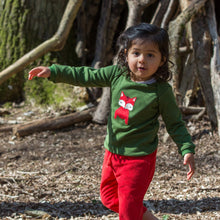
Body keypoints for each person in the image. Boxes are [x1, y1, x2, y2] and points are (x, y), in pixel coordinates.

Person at [28, 23, 195, 220]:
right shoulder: (117, 74)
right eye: (136, 53)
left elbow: (175, 123)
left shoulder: (160, 91)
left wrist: (186, 149)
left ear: (162, 60)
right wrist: (55, 72)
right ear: (126, 54)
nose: (142, 60)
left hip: (139, 158)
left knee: (128, 210)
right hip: (113, 151)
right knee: (109, 198)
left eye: (150, 55)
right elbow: (86, 75)